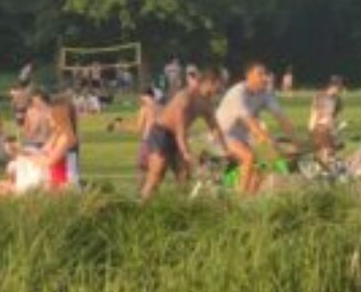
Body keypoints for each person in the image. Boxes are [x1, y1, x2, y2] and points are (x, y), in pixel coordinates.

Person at [139, 68, 222, 199]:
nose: (220, 89)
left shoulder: (206, 102)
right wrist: (185, 152)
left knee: (184, 175)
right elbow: (180, 128)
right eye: (219, 84)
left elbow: (214, 126)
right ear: (209, 82)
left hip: (176, 136)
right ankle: (142, 207)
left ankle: (180, 208)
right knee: (156, 175)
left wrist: (224, 148)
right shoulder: (186, 97)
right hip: (161, 133)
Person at [214, 63, 296, 194]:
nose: (265, 78)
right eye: (260, 74)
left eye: (266, 74)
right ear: (248, 76)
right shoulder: (237, 93)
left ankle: (249, 200)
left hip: (242, 138)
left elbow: (281, 117)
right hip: (222, 135)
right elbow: (250, 123)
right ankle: (240, 200)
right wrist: (270, 142)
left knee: (265, 163)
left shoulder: (265, 93)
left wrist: (295, 141)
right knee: (249, 157)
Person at [309, 77, 343, 159]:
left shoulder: (338, 100)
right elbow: (314, 114)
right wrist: (311, 129)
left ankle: (326, 159)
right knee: (324, 150)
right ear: (332, 86)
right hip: (319, 127)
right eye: (339, 86)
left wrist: (336, 129)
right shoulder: (320, 96)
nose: (340, 89)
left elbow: (334, 117)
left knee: (332, 150)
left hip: (330, 128)